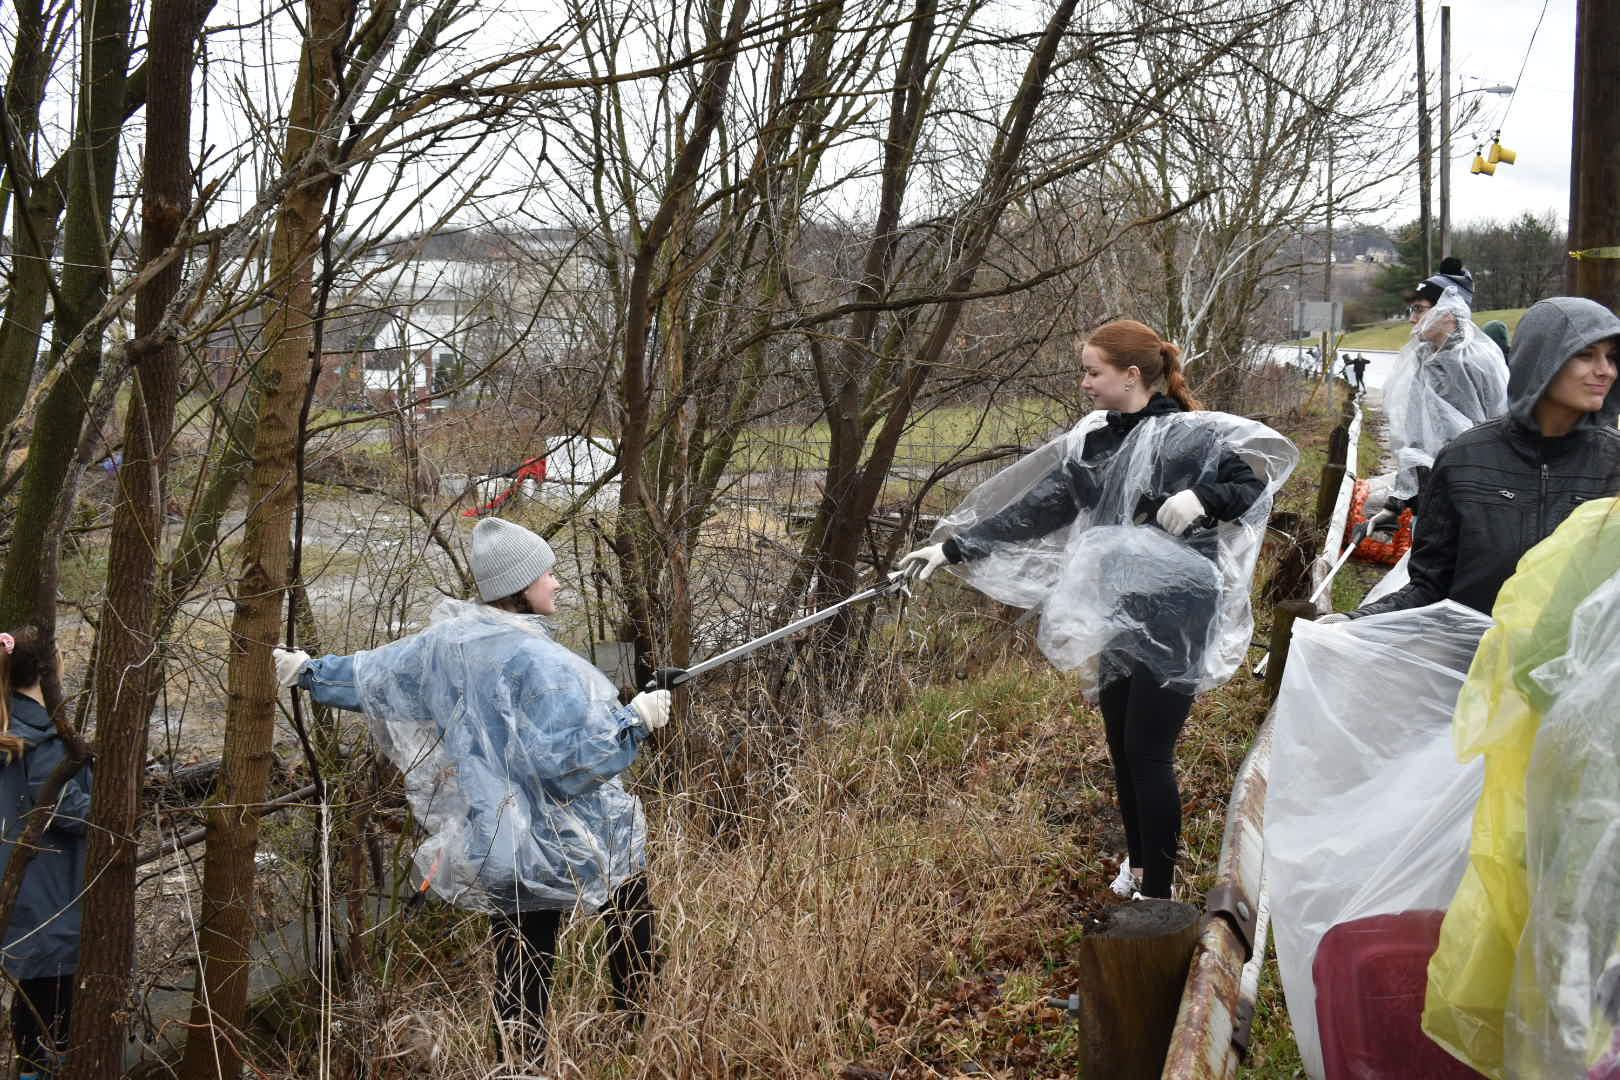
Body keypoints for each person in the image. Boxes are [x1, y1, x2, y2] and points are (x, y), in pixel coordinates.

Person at [897, 320, 1296, 899]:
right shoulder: (1097, 445)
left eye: (1092, 372)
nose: (1083, 383)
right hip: (1120, 606)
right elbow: (1037, 509)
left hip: (1178, 608)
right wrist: (955, 547)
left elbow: (1251, 486)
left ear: (1131, 375)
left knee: (1148, 751)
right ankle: (1140, 867)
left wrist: (1202, 496)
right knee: (1121, 744)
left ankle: (1159, 894)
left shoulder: (1193, 438)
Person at [272, 518, 671, 1060]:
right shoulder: (544, 663)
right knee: (629, 918)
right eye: (546, 574)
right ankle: (636, 1036)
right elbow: (572, 766)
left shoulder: (447, 645)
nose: (556, 582)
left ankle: (519, 1065)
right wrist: (635, 722)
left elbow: (376, 675)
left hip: (502, 838)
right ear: (520, 586)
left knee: (522, 968)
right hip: (582, 832)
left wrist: (310, 672)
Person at [1419, 496, 1620, 1077]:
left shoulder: (1602, 528)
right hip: (1593, 830)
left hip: (1591, 831)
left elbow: (1535, 666)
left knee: (1576, 1010)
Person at [1325, 296, 1620, 623]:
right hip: (1468, 653)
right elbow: (1429, 587)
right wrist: (1353, 622)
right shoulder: (1464, 459)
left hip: (1578, 656)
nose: (1605, 370)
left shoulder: (1614, 464)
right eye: (1585, 355)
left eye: (1612, 357)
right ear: (1540, 359)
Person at [0, 627, 92, 1080]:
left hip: (22, 884)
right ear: (48, 670)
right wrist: (117, 806)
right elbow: (65, 809)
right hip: (51, 890)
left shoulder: (9, 725)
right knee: (53, 1001)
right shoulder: (40, 736)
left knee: (33, 992)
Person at [1381, 258, 1508, 512]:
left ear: (1448, 311)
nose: (1412, 319)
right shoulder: (1426, 358)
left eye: (1419, 309)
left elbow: (1476, 438)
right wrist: (1402, 497)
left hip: (1469, 502)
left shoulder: (1469, 363)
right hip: (1433, 496)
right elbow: (1417, 436)